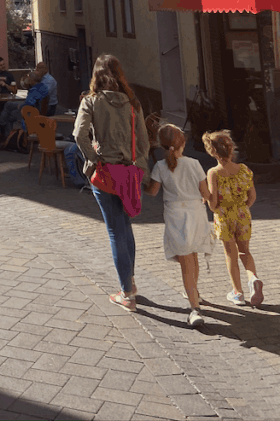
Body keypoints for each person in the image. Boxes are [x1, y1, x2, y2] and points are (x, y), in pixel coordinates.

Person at [73, 54, 149, 313]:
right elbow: (144, 141)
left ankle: (126, 293)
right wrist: (138, 164)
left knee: (116, 230)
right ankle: (131, 281)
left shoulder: (91, 101)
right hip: (129, 172)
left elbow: (78, 134)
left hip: (105, 173)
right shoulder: (132, 102)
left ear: (96, 75)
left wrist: (93, 158)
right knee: (125, 227)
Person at [145, 124, 213, 329]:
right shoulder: (194, 163)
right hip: (196, 214)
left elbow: (153, 192)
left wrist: (142, 180)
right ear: (183, 143)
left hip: (176, 216)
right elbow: (206, 194)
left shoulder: (159, 166)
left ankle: (194, 309)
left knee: (186, 263)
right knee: (193, 256)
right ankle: (195, 292)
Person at [203, 129, 263, 307]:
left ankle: (237, 292)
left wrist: (207, 199)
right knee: (245, 251)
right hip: (243, 214)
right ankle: (253, 278)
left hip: (224, 217)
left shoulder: (214, 173)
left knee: (231, 255)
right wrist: (242, 208)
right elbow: (252, 196)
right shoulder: (244, 169)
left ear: (212, 152)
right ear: (231, 149)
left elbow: (213, 203)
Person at [0, 61, 57, 138]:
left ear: (32, 80)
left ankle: (7, 135)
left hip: (32, 112)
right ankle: (1, 127)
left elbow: (30, 103)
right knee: (8, 104)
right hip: (35, 109)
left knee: (10, 114)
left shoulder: (37, 89)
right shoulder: (41, 87)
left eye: (29, 78)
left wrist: (20, 106)